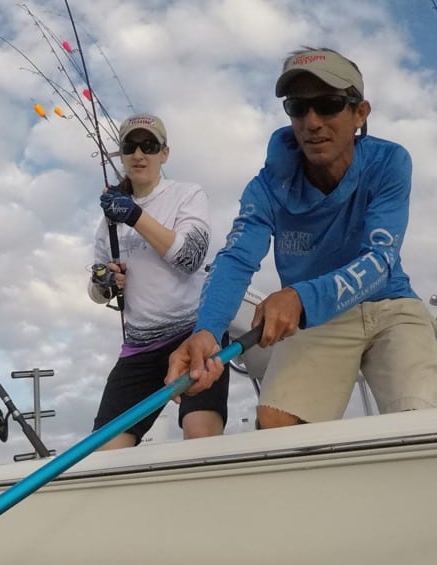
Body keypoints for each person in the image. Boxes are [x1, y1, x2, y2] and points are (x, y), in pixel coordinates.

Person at [167, 47, 437, 427]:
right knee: (276, 425)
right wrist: (207, 331)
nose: (311, 121)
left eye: (328, 104)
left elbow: (381, 259)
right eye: (297, 107)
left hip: (391, 304)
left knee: (419, 424)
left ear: (360, 113)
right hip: (319, 319)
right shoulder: (265, 187)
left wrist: (299, 295)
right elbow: (236, 258)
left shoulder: (391, 162)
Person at [88, 113, 224, 448]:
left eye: (149, 146)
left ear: (164, 153)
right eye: (130, 146)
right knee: (105, 452)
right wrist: (104, 283)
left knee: (199, 435)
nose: (138, 154)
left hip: (193, 336)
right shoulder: (108, 221)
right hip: (138, 349)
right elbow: (96, 288)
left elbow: (190, 258)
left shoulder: (188, 195)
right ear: (120, 155)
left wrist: (134, 215)